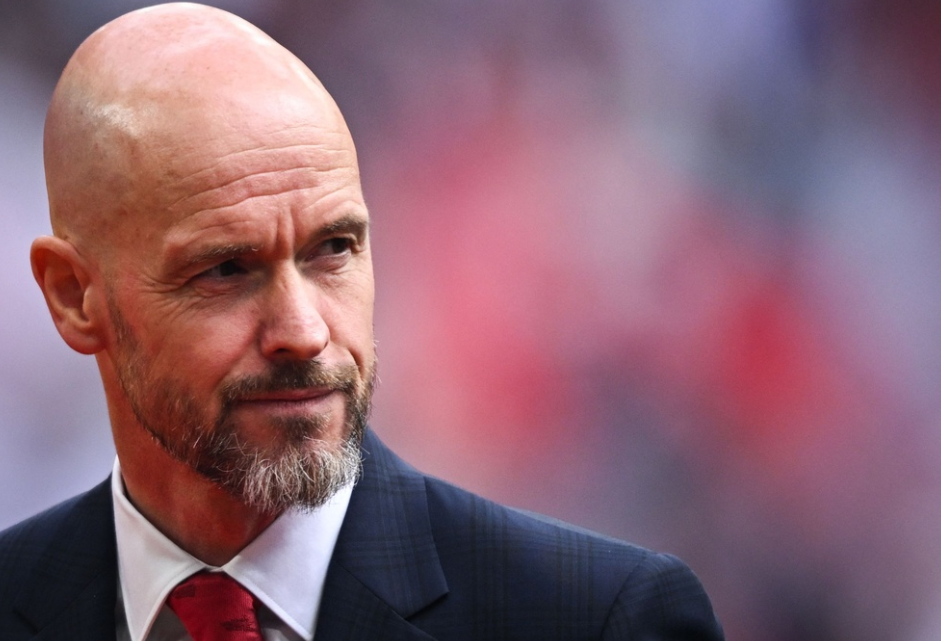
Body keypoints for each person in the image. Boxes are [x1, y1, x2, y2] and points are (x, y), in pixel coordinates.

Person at [0, 3, 724, 639]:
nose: (304, 330)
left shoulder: (597, 619)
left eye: (333, 250)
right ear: (73, 296)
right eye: (226, 269)